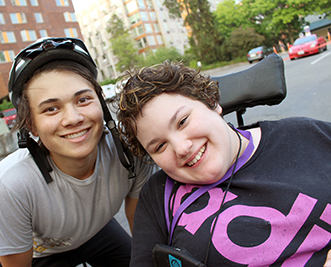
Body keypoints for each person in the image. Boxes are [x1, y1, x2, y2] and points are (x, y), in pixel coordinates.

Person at [116, 60, 331, 266]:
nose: (182, 149)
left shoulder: (309, 135)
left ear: (211, 102)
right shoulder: (158, 196)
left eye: (182, 121)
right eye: (160, 146)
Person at [0, 37, 158, 267]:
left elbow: (141, 229)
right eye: (51, 108)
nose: (73, 119)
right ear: (31, 125)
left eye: (83, 99)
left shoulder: (130, 152)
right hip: (41, 252)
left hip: (96, 234)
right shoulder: (11, 184)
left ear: (101, 104)